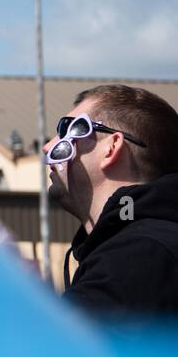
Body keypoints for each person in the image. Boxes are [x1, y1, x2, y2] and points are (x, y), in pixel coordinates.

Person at [47, 83, 178, 316]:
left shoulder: (138, 257)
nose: (49, 146)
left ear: (111, 147)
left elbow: (50, 349)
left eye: (70, 129)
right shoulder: (149, 245)